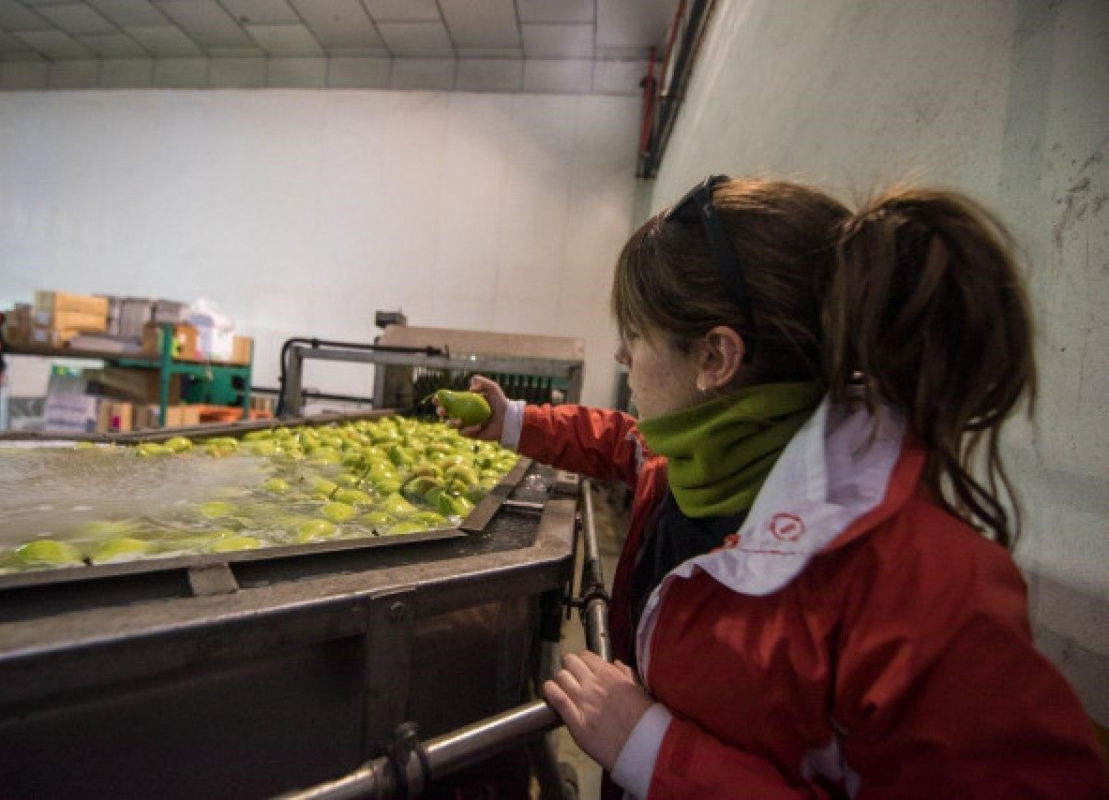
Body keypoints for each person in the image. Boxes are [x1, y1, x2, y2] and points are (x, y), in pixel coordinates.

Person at [441, 176, 1109, 798]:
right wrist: (514, 420)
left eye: (636, 336)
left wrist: (653, 750)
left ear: (715, 357)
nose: (622, 356)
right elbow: (624, 443)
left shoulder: (923, 592)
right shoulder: (711, 458)